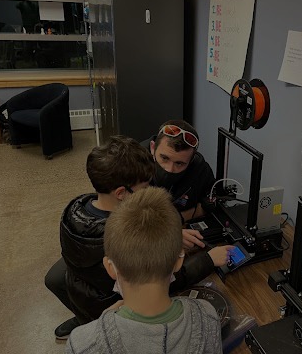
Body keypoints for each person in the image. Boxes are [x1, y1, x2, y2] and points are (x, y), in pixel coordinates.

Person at [65, 187, 223, 354]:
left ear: (110, 267)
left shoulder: (81, 343)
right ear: (179, 261)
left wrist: (103, 322)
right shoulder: (207, 316)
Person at [45, 136, 155, 339]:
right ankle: (90, 325)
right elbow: (157, 280)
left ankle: (83, 320)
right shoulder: (124, 236)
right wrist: (208, 259)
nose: (148, 192)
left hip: (81, 288)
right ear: (121, 193)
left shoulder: (75, 207)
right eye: (145, 188)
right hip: (110, 302)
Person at [142, 119, 234, 292]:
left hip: (187, 246)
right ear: (153, 148)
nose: (170, 169)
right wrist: (171, 232)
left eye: (180, 164)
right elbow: (128, 222)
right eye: (164, 158)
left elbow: (209, 204)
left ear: (191, 161)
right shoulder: (136, 165)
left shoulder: (200, 170)